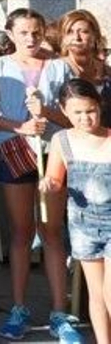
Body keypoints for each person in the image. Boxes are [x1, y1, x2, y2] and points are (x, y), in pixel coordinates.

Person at [0, 8, 74, 342]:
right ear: (11, 34)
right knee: (21, 231)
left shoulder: (60, 67)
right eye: (23, 33)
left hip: (52, 152)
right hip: (15, 150)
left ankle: (59, 311)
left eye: (36, 32)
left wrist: (46, 113)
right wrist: (19, 126)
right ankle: (19, 307)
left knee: (51, 230)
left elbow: (72, 116)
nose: (31, 39)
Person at [44, 78, 111, 344]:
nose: (85, 118)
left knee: (109, 291)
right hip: (83, 225)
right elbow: (56, 177)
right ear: (64, 111)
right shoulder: (62, 140)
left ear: (100, 105)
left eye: (91, 111)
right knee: (95, 293)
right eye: (78, 113)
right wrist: (49, 183)